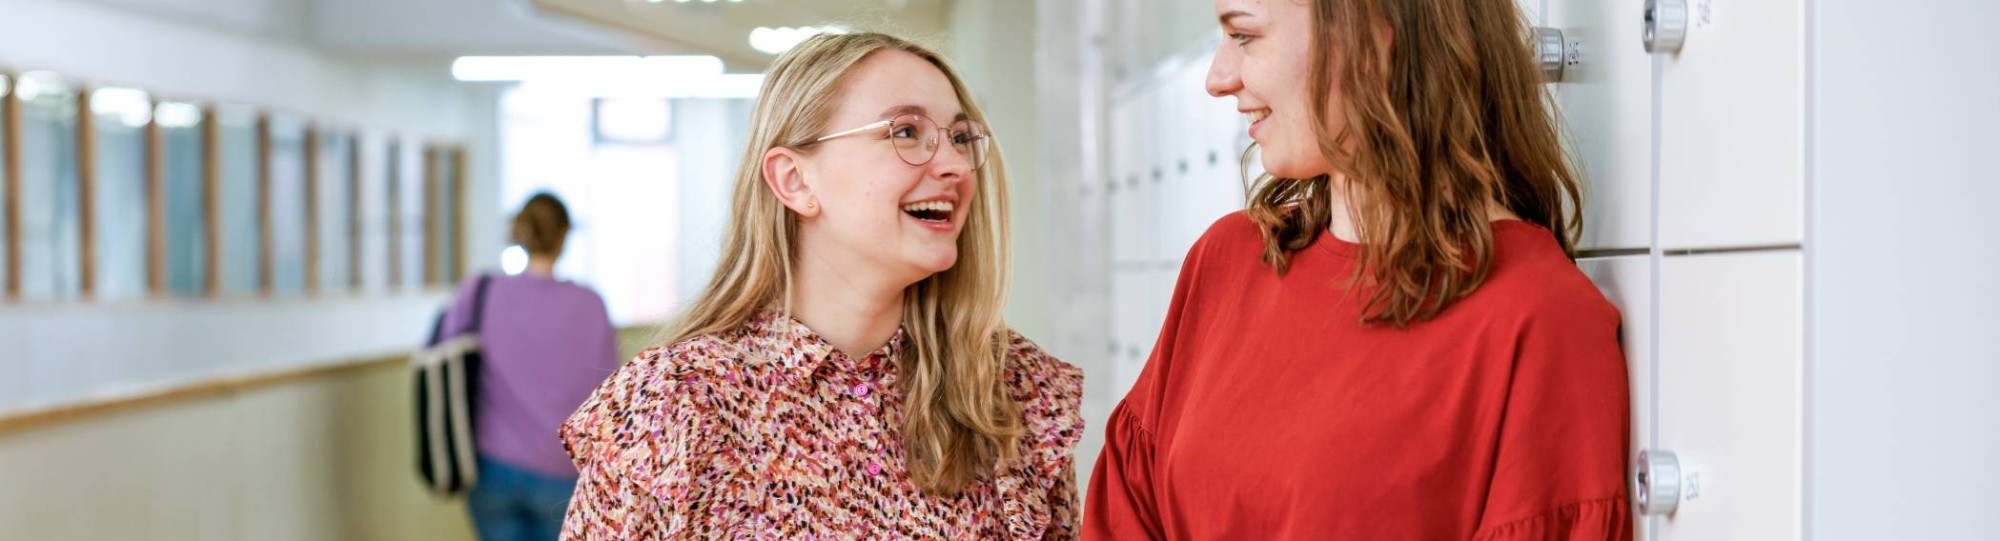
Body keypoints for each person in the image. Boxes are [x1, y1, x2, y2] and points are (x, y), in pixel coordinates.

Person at [1083, 0, 1633, 539]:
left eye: (1245, 35)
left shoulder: (1537, 319)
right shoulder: (1226, 262)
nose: (1218, 78)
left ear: (1371, 32)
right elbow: (1126, 512)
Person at [558, 32, 1085, 540]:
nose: (953, 165)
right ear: (795, 181)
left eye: (961, 138)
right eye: (905, 132)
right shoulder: (676, 403)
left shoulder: (1012, 391)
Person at [441, 193, 620, 541]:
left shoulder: (481, 292)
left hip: (492, 468)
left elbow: (444, 353)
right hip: (562, 472)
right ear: (564, 237)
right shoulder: (591, 305)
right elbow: (608, 392)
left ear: (520, 232)